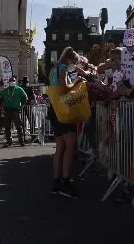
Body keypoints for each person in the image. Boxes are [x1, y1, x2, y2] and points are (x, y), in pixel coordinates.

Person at [48, 47, 84, 197]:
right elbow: (64, 89)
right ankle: (66, 180)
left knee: (60, 147)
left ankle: (57, 182)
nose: (74, 66)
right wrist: (77, 82)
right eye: (74, 63)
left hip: (54, 108)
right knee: (70, 145)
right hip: (63, 109)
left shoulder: (53, 70)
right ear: (70, 60)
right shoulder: (63, 68)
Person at [0, 76, 27, 147]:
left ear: (15, 82)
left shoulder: (19, 89)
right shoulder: (5, 90)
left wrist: (22, 105)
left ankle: (21, 141)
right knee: (7, 127)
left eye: (13, 81)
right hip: (7, 111)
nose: (12, 82)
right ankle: (9, 141)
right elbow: (1, 99)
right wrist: (1, 106)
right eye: (11, 81)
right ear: (9, 82)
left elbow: (25, 97)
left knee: (19, 126)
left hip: (16, 110)